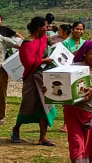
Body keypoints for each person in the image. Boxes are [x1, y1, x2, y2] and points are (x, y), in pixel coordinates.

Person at [11, 16, 57, 146]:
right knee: (28, 105)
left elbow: (49, 46)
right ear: (39, 27)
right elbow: (28, 62)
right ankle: (16, 128)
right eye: (45, 26)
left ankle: (43, 136)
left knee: (44, 105)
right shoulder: (27, 43)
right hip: (31, 77)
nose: (46, 29)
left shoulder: (43, 39)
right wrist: (44, 61)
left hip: (44, 76)